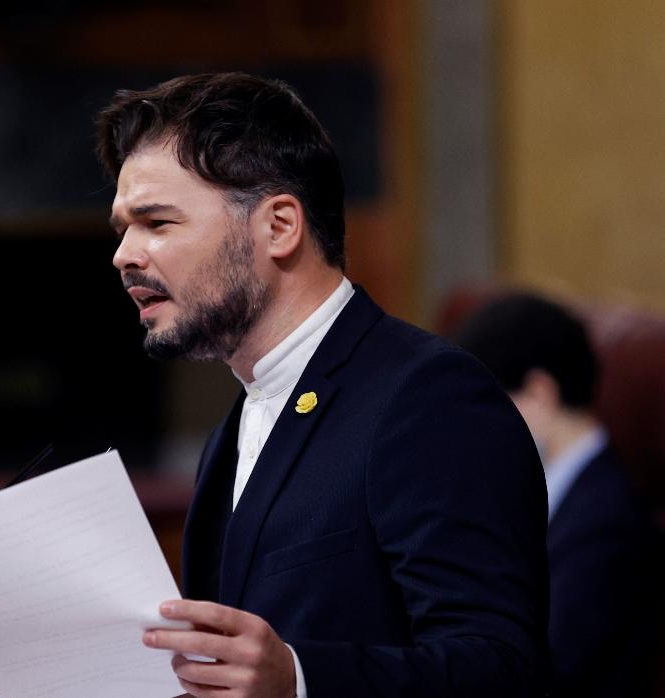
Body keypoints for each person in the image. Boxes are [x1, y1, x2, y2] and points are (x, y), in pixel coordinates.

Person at [95, 73, 549, 697]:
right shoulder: (242, 417)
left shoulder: (429, 397)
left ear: (280, 226)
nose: (124, 254)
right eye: (122, 228)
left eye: (156, 222)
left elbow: (501, 671)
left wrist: (299, 679)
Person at [455, 292, 657, 698]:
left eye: (484, 407)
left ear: (539, 395)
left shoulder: (606, 524)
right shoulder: (542, 487)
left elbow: (544, 669)